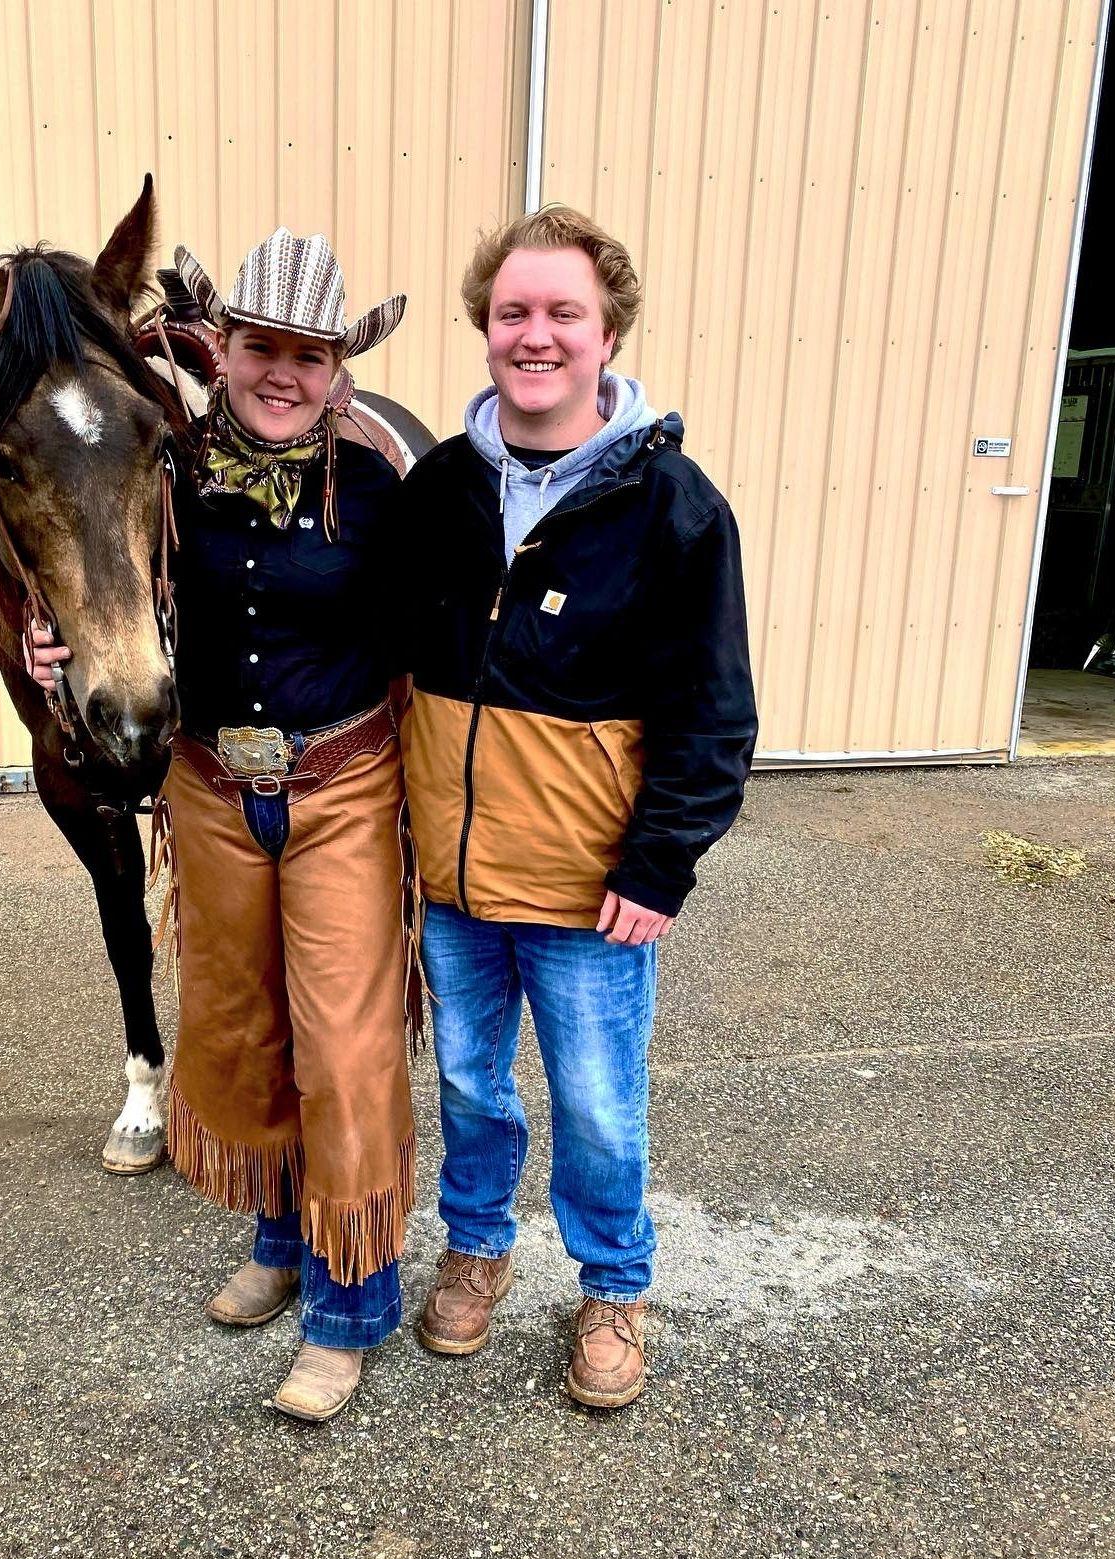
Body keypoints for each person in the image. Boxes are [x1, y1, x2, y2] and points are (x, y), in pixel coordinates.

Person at [31, 229, 415, 1422]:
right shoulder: (170, 468)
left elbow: (446, 628)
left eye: (308, 354)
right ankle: (280, 1240)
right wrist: (57, 645)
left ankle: (350, 1303)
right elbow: (94, 563)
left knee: (346, 1046)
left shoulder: (382, 478)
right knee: (242, 1022)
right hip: (209, 787)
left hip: (343, 784)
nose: (282, 373)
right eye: (261, 348)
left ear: (338, 364)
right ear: (226, 348)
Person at [396, 204, 757, 1409]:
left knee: (599, 1103)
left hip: (589, 892)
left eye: (563, 313)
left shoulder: (673, 507)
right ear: (483, 328)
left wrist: (659, 868)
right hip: (452, 881)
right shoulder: (440, 487)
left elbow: (713, 715)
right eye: (513, 313)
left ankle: (613, 1287)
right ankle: (479, 1247)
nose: (534, 335)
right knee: (467, 1086)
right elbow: (337, 630)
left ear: (610, 332)